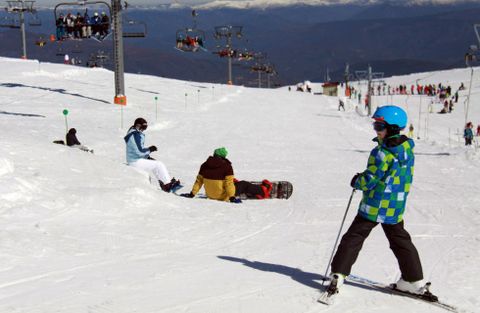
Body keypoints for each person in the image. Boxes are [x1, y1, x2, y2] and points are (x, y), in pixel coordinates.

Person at [326, 105, 425, 295]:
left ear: (393, 129)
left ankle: (338, 274)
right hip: (395, 206)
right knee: (400, 240)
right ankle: (414, 280)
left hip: (374, 205)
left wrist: (358, 181)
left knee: (353, 238)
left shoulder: (382, 153)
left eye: (379, 127)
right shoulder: (407, 151)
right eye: (375, 126)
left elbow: (371, 178)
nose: (376, 131)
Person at [180, 147, 272, 201]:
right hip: (223, 196)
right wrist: (232, 197)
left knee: (233, 181)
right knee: (244, 184)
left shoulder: (204, 165)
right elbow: (228, 183)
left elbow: (199, 181)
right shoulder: (226, 166)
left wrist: (192, 194)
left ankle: (237, 187)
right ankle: (263, 191)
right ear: (223, 156)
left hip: (210, 194)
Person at [124, 118, 180, 192]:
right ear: (138, 125)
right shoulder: (135, 135)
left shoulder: (134, 133)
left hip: (134, 158)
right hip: (134, 161)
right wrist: (150, 149)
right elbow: (139, 151)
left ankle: (165, 184)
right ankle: (167, 185)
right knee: (159, 164)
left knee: (155, 164)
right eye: (143, 127)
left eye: (145, 128)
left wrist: (147, 156)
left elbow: (137, 149)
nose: (143, 130)